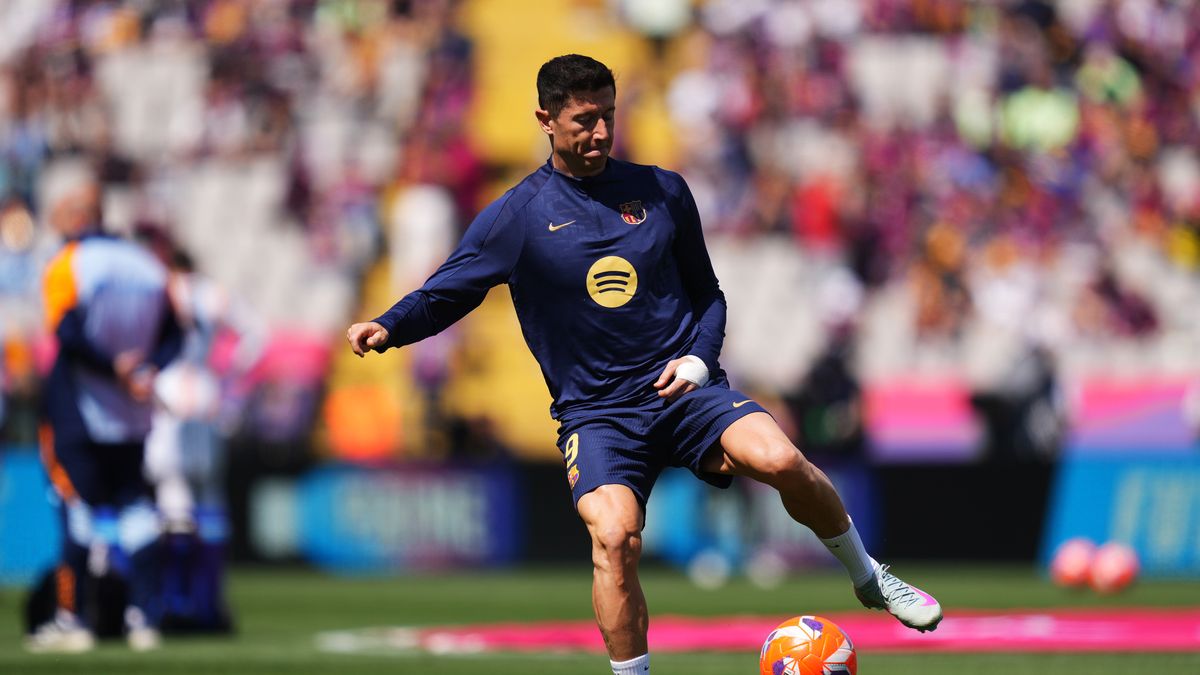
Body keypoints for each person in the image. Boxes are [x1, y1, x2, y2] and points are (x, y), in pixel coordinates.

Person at [347, 54, 942, 675]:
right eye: (584, 120)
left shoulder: (663, 191)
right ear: (545, 119)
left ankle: (871, 579)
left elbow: (709, 294)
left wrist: (699, 361)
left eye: (608, 115)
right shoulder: (517, 216)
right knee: (614, 536)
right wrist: (388, 326)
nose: (601, 133)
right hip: (597, 415)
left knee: (780, 458)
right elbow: (448, 291)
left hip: (683, 393)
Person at [27, 161, 182, 653]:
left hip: (81, 407)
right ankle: (144, 617)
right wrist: (145, 370)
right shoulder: (146, 264)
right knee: (136, 510)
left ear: (76, 216)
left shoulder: (69, 263)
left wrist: (114, 367)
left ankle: (72, 622)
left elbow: (67, 334)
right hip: (132, 414)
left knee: (76, 508)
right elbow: (175, 334)